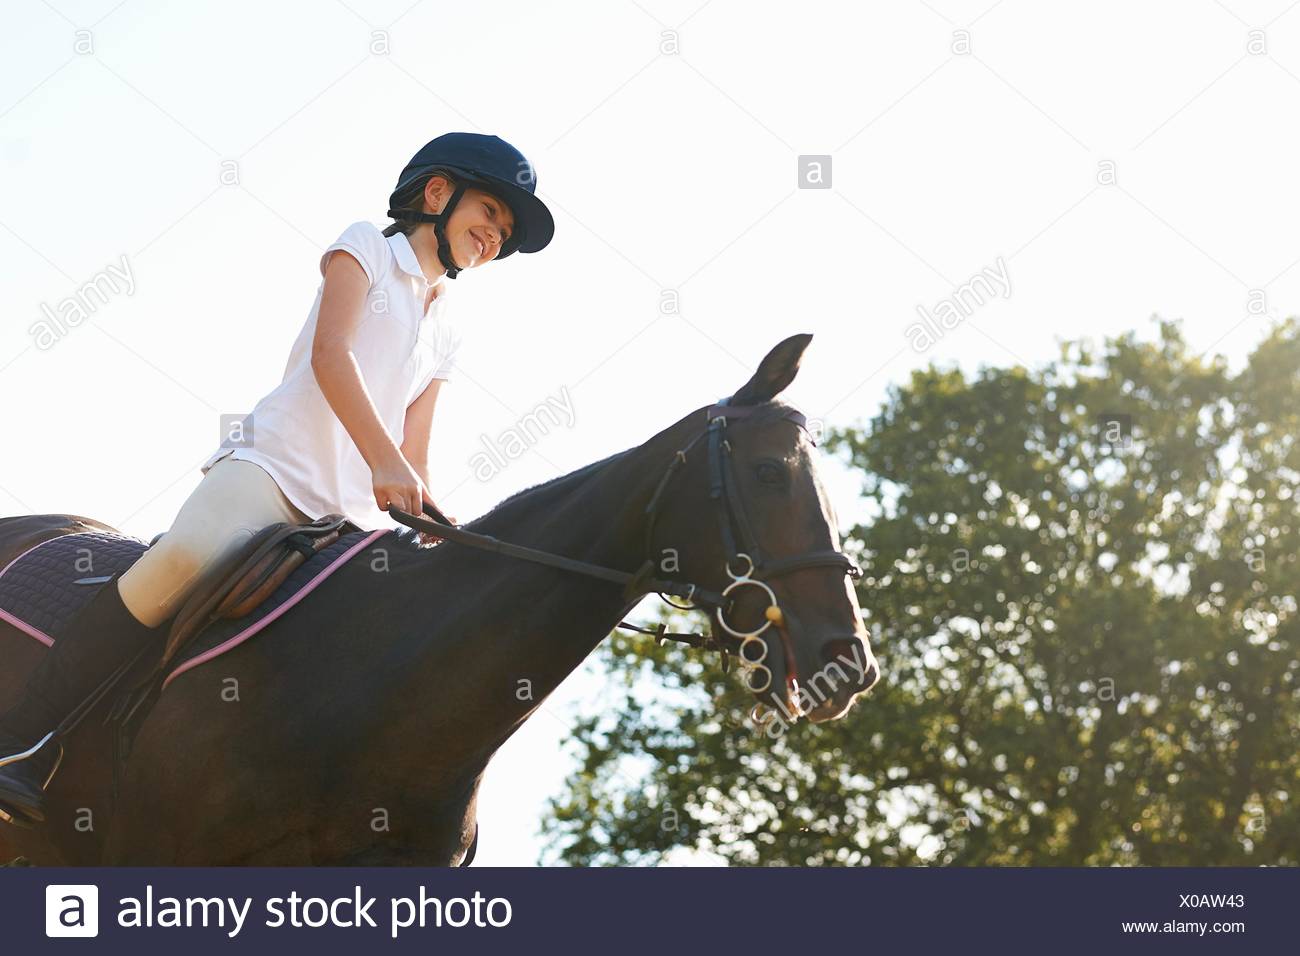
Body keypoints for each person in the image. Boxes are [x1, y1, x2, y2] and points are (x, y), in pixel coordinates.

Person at [0, 132, 555, 827]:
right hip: (273, 473)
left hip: (346, 522)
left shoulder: (448, 327)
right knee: (180, 559)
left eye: (506, 230)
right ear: (437, 194)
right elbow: (332, 354)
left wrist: (434, 521)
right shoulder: (367, 249)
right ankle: (21, 739)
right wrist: (385, 462)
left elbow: (416, 446)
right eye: (490, 212)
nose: (496, 235)